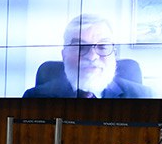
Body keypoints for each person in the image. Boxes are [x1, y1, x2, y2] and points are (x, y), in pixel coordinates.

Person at [23, 14, 152, 98]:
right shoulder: (34, 96)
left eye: (102, 46)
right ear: (64, 55)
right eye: (80, 46)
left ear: (114, 55)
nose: (92, 57)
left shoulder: (144, 96)